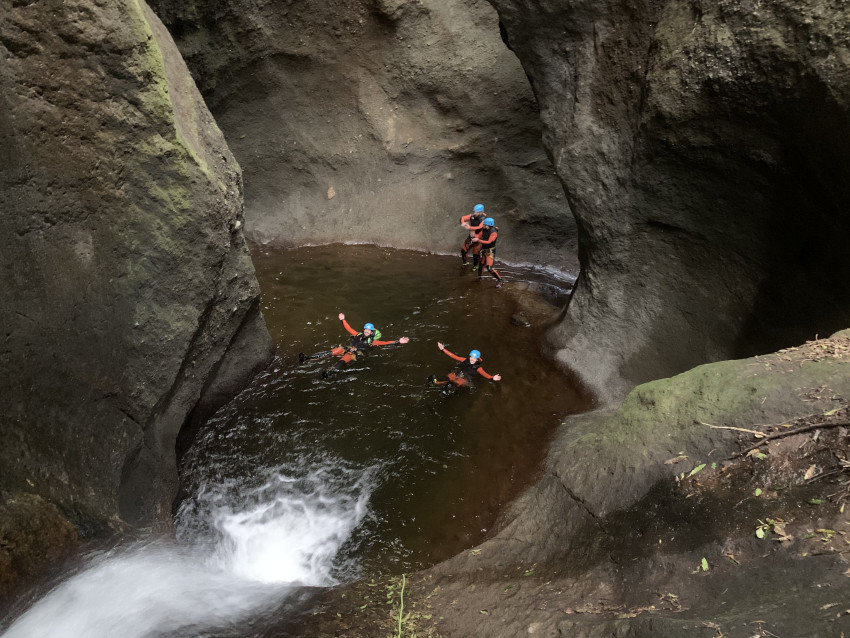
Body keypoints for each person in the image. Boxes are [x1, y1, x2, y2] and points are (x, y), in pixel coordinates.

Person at [299, 313, 410, 378]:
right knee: (330, 352)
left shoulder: (372, 342)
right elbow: (349, 328)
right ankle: (306, 358)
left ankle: (327, 374)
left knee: (342, 361)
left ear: (372, 332)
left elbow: (386, 343)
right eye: (365, 329)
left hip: (354, 354)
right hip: (347, 348)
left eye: (369, 330)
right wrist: (343, 320)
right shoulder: (358, 334)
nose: (366, 331)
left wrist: (398, 342)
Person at [428, 341, 501, 391]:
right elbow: (453, 356)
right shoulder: (464, 360)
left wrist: (492, 377)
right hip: (459, 373)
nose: (472, 359)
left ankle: (447, 391)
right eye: (471, 357)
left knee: (453, 385)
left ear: (477, 359)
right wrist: (443, 349)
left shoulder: (479, 368)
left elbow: (485, 375)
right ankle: (436, 383)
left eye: (474, 358)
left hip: (466, 378)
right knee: (448, 377)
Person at [471, 216, 503, 288]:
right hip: (484, 250)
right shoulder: (485, 229)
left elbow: (489, 242)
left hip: (490, 252)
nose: (483, 226)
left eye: (484, 225)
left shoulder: (493, 232)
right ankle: (479, 278)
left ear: (488, 225)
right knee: (481, 265)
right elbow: (480, 234)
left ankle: (500, 280)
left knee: (489, 268)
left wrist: (478, 240)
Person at [459, 204, 487, 268]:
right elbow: (462, 218)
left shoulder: (483, 219)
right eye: (474, 211)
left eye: (476, 212)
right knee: (463, 250)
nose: (474, 213)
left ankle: (475, 266)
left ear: (480, 212)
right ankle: (465, 263)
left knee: (475, 254)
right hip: (471, 237)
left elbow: (479, 227)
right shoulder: (472, 216)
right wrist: (463, 223)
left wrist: (469, 228)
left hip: (478, 238)